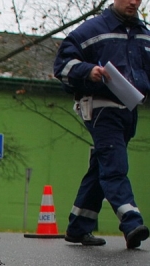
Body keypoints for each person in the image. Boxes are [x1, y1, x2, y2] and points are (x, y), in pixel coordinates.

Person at [53, 0, 150, 249]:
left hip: (129, 110)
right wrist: (88, 71)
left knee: (102, 166)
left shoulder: (144, 35)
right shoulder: (91, 30)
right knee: (115, 164)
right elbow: (62, 65)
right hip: (100, 108)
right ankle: (131, 222)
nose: (134, 2)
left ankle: (78, 226)